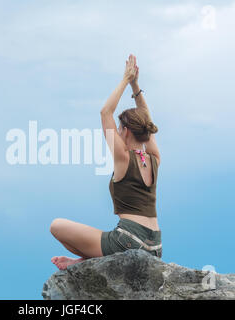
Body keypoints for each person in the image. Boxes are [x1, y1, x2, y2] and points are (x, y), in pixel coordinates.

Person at [50, 54, 162, 270]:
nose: (117, 133)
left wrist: (125, 79)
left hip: (127, 241)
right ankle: (86, 261)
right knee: (97, 235)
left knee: (56, 226)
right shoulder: (154, 158)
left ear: (126, 131)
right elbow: (148, 120)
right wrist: (135, 85)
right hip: (155, 247)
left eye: (120, 129)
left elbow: (105, 112)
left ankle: (90, 261)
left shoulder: (123, 157)